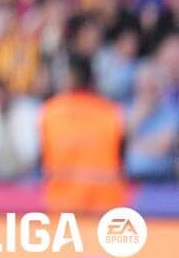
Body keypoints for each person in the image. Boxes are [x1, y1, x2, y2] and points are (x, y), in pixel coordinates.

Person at [40, 54, 127, 212]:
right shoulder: (110, 112)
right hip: (105, 207)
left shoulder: (50, 112)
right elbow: (123, 157)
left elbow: (41, 157)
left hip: (63, 206)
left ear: (71, 77)